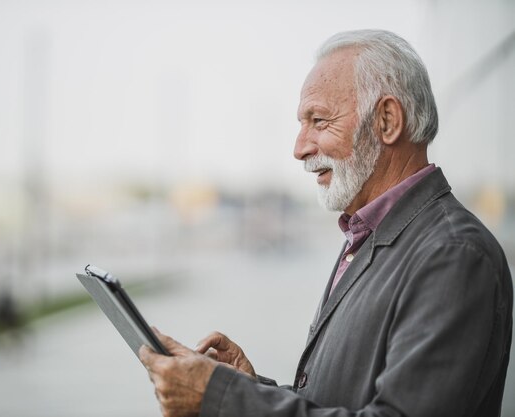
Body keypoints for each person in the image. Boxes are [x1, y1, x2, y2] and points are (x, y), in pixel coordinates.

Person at [139, 29, 513, 417]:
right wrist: (248, 387)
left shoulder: (453, 255)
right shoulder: (369, 234)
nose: (299, 148)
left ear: (387, 120)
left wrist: (223, 398)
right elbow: (344, 401)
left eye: (318, 121)